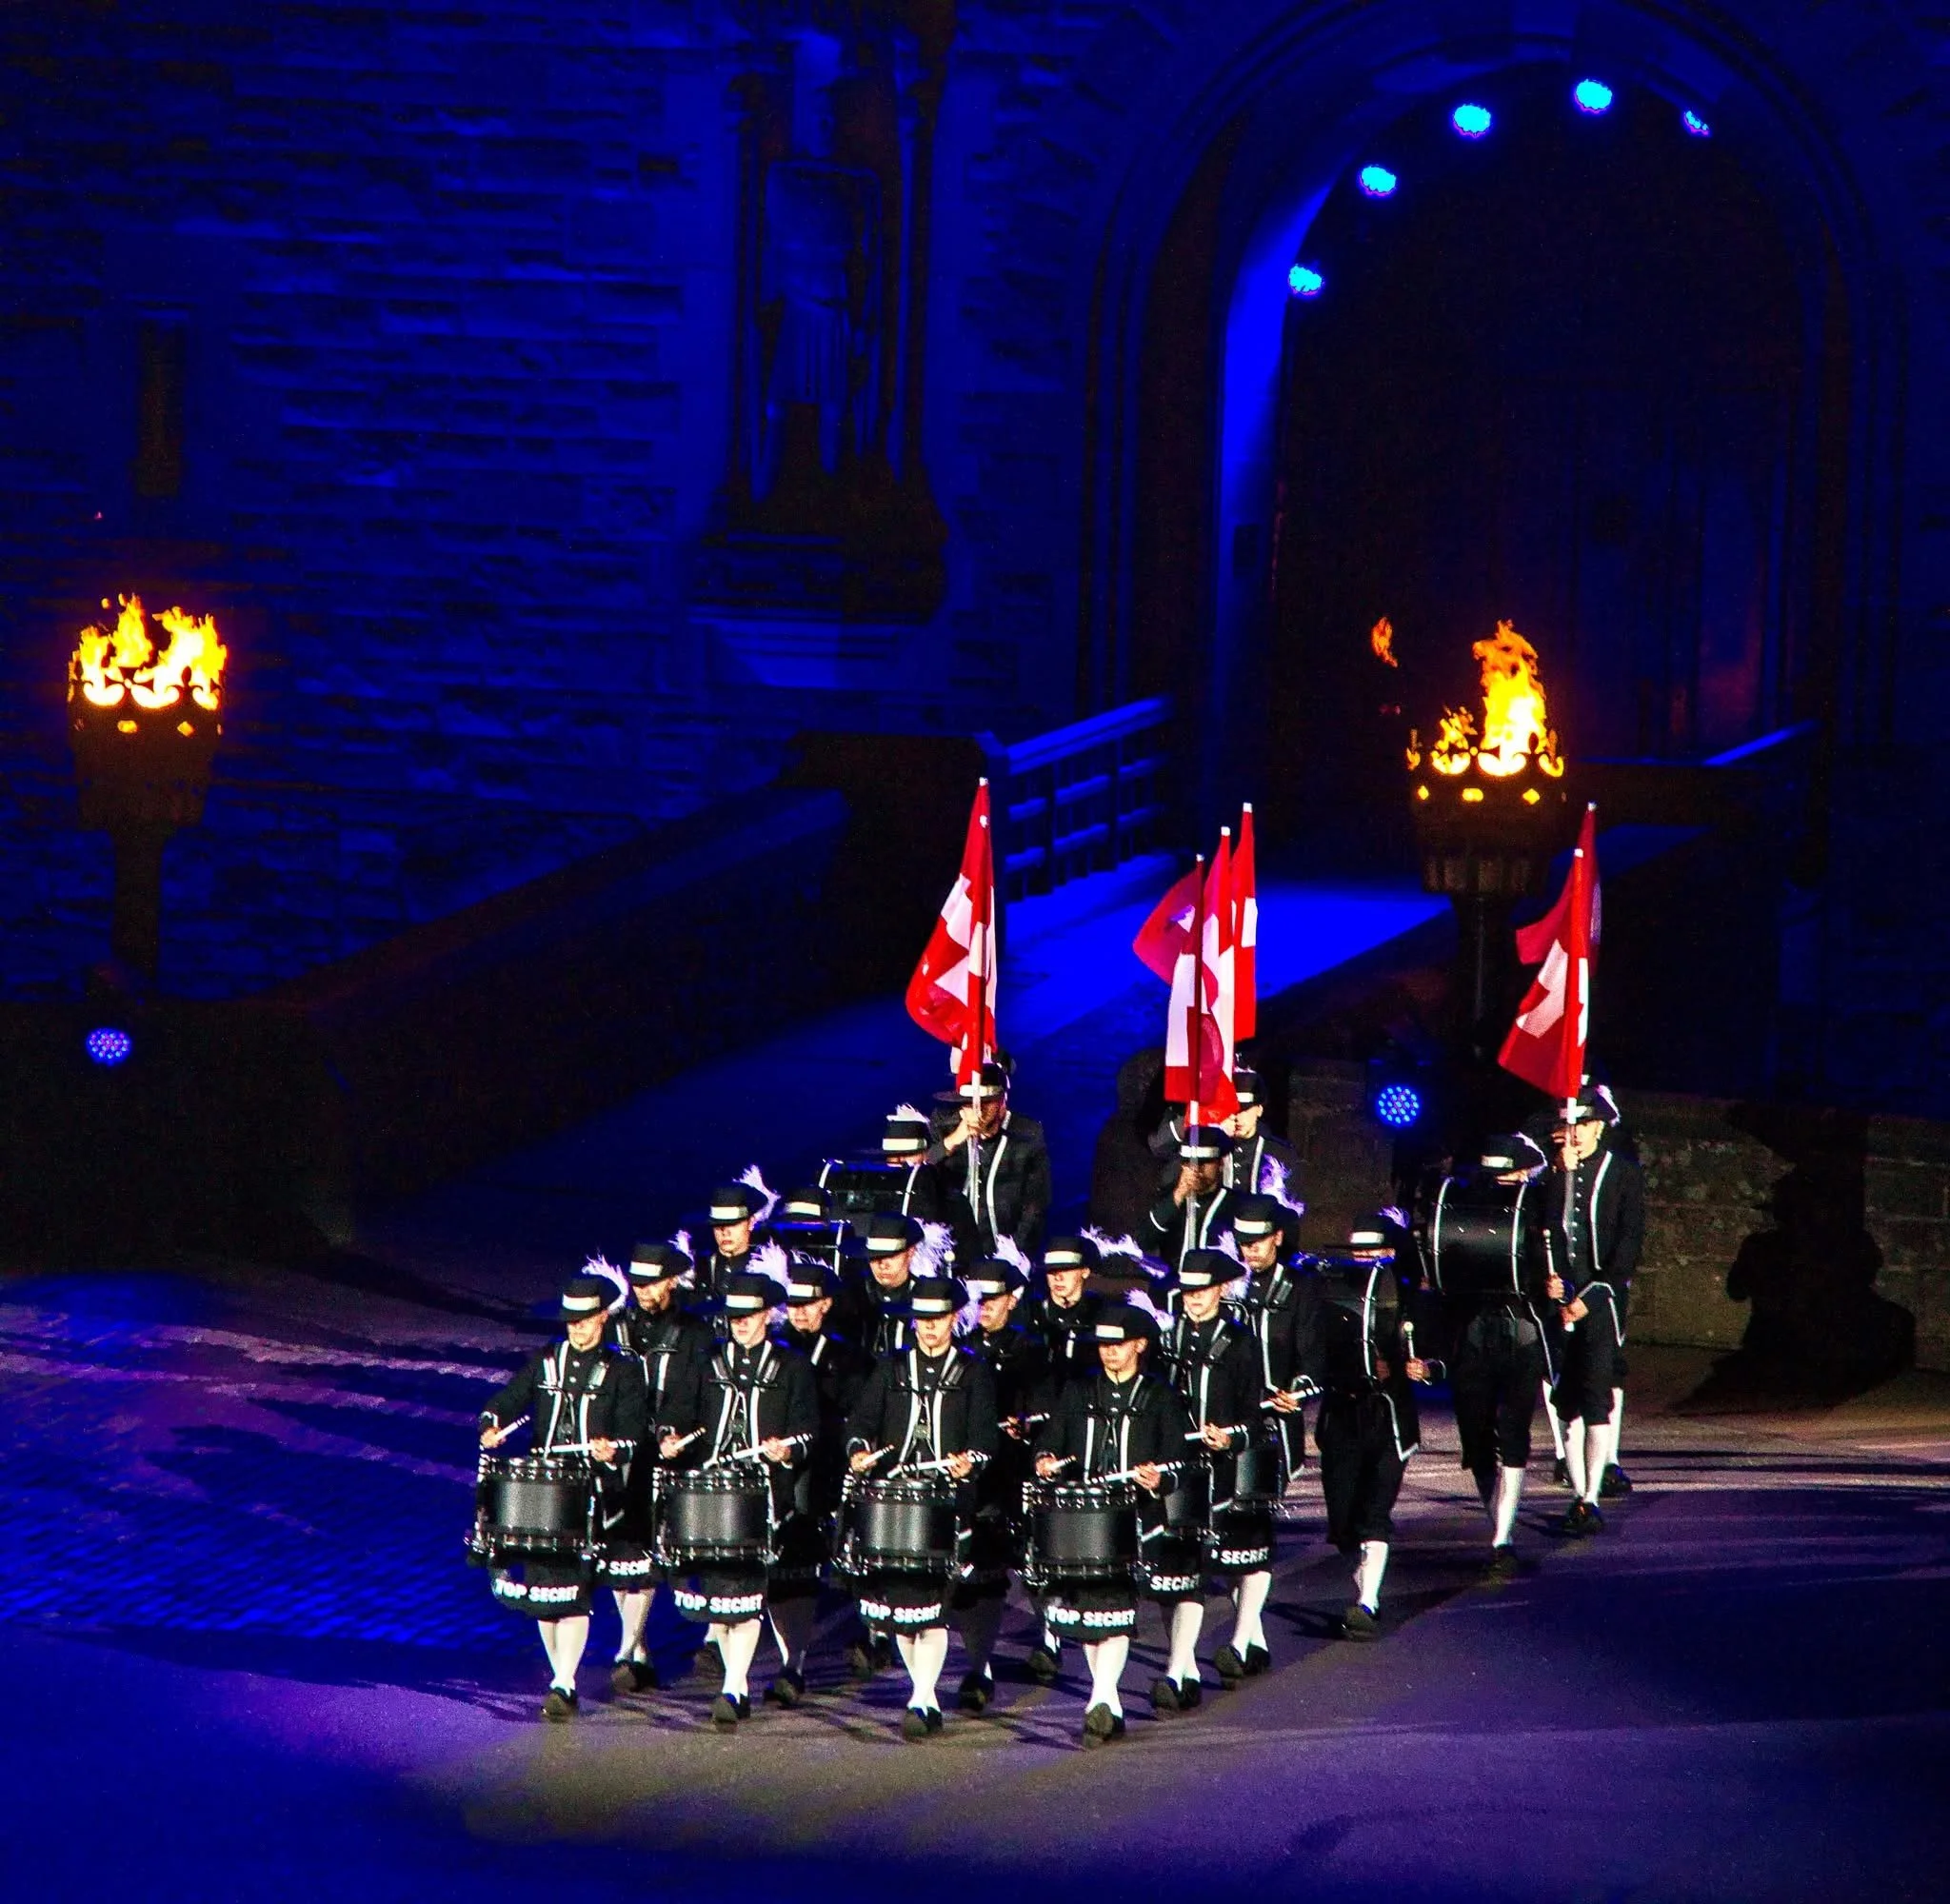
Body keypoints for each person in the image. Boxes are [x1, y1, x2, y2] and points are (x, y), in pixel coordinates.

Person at [655, 1264, 817, 1728]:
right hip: (712, 1493)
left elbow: (809, 1429)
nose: (740, 1322)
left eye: (749, 1314)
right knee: (724, 1597)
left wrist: (787, 1448)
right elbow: (678, 1411)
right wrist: (670, 1437)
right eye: (733, 1315)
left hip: (764, 1492)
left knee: (743, 1592)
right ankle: (735, 1677)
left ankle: (735, 1685)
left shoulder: (792, 1366)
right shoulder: (707, 1363)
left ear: (768, 1315)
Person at [478, 1272, 645, 1720]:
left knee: (571, 1591)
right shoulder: (547, 1360)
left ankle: (564, 1680)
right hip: (541, 1491)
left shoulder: (623, 1370)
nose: (576, 1327)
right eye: (570, 1320)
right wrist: (492, 1422)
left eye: (585, 1319)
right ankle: (560, 1674)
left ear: (604, 1317)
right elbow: (511, 1398)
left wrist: (614, 1447)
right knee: (543, 1593)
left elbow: (633, 1430)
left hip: (589, 1491)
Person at [843, 1276, 1000, 1738]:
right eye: (922, 1322)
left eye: (938, 1320)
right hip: (893, 1500)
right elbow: (862, 1423)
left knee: (931, 1605)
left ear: (954, 1319)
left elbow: (986, 1440)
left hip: (946, 1502)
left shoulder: (975, 1371)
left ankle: (924, 1696)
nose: (930, 1330)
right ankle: (921, 1688)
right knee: (902, 1607)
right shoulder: (890, 1368)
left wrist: (969, 1462)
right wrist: (858, 1451)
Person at [1033, 1299, 1194, 1745]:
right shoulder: (1079, 1392)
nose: (1108, 1352)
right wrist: (1045, 1459)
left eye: (1118, 1344)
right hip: (1085, 1521)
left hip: (1136, 1518)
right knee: (1091, 1616)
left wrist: (1160, 1475)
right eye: (1103, 1345)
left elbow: (1179, 1458)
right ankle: (1107, 1701)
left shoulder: (1160, 1396)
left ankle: (1102, 1697)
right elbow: (1052, 1440)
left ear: (1140, 1345)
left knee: (1116, 1610)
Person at [1421, 1138, 1552, 1578]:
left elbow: (1555, 1262)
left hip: (1521, 1330)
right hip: (1472, 1332)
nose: (1500, 1185)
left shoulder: (1537, 1206)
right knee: (1476, 1438)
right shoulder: (1461, 1203)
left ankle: (1503, 1537)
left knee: (1513, 1432)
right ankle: (1494, 1517)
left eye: (1509, 1176)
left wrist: (1555, 1286)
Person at [1160, 1248, 1280, 1697]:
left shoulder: (1241, 1342)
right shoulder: (1168, 1340)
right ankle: (1184, 1663)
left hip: (1229, 1465)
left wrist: (1230, 1437)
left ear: (1222, 1289)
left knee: (1244, 1555)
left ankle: (1243, 1636)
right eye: (1188, 1290)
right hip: (1183, 1469)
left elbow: (1253, 1412)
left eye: (1202, 1290)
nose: (1193, 1298)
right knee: (1182, 1569)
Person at [1312, 1228, 1434, 1639]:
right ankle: (1363, 1571)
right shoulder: (1328, 1296)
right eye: (1358, 1251)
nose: (1365, 1257)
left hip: (1388, 1418)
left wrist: (1419, 1368)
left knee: (1375, 1513)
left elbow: (1436, 1352)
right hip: (1341, 1417)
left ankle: (1368, 1602)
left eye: (1373, 1250)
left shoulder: (1407, 1298)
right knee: (1344, 1521)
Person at [605, 1240, 713, 1690]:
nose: (643, 1293)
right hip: (622, 1454)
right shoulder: (616, 1328)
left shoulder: (695, 1333)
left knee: (658, 1551)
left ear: (672, 1281)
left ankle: (648, 1644)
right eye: (637, 1285)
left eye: (651, 1284)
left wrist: (675, 1432)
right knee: (621, 1551)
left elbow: (699, 1392)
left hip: (674, 1451)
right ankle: (636, 1646)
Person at [768, 1255, 871, 1705]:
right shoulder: (773, 1350)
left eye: (809, 1305)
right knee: (790, 1572)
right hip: (782, 1474)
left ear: (826, 1305)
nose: (799, 1313)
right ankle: (794, 1663)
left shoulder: (849, 1358)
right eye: (793, 1305)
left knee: (848, 1567)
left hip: (828, 1470)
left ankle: (875, 1635)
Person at [1542, 1100, 1643, 1536]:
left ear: (1599, 1127)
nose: (1576, 1133)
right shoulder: (1556, 1173)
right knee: (1566, 1403)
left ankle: (1590, 1498)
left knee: (1597, 1393)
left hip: (1600, 1300)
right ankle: (1577, 1491)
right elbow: (1542, 1231)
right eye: (1570, 1125)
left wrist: (1594, 1296)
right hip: (1559, 1299)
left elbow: (1628, 1242)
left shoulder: (1622, 1174)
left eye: (1583, 1124)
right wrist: (1557, 1174)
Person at [956, 1253, 1050, 1709]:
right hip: (979, 1477)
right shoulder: (964, 1348)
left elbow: (1048, 1406)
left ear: (1012, 1300)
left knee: (1032, 1563)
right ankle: (980, 1665)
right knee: (981, 1571)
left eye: (992, 1299)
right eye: (978, 1299)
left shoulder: (1031, 1349)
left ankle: (1048, 1634)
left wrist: (1028, 1422)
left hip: (1017, 1468)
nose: (984, 1307)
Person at [1229, 1193, 1322, 1486]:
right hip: (1228, 1418)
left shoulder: (1300, 1288)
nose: (1251, 1250)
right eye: (1244, 1243)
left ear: (1277, 1238)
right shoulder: (1225, 1286)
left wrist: (1296, 1392)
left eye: (1259, 1241)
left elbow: (1312, 1352)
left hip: (1274, 1416)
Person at [925, 1060, 1052, 1257]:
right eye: (969, 1104)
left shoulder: (1027, 1134)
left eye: (986, 1103)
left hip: (1005, 1251)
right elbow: (922, 1176)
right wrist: (953, 1141)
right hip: (952, 1250)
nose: (977, 1110)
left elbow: (1035, 1204)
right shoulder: (945, 1126)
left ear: (1002, 1102)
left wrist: (1016, 1252)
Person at [1149, 1070, 1303, 1199]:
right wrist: (1205, 1122)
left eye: (1243, 1110)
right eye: (1230, 1110)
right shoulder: (1206, 1141)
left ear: (1259, 1109)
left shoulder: (1280, 1153)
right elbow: (1161, 1154)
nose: (1236, 1116)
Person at [838, 1210, 926, 1357]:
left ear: (910, 1253)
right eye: (874, 1256)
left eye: (891, 1256)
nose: (882, 1264)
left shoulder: (923, 1296)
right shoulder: (852, 1296)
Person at [1147, 1126, 1238, 1267]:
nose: (1196, 1169)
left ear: (1220, 1163)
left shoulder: (1235, 1204)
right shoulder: (1169, 1197)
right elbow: (1145, 1240)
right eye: (1188, 1162)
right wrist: (1178, 1195)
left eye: (1203, 1163)